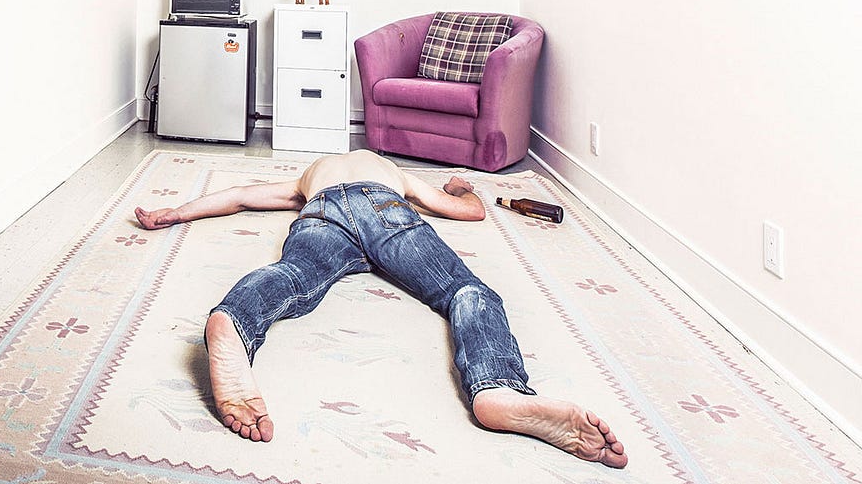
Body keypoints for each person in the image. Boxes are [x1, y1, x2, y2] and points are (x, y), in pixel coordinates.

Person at [134, 150, 628, 468]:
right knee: (465, 292)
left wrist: (174, 212)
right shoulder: (394, 172)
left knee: (292, 276)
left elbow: (241, 197)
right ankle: (497, 386)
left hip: (321, 210)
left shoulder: (312, 174)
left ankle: (234, 322)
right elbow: (470, 211)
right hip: (385, 206)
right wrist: (460, 188)